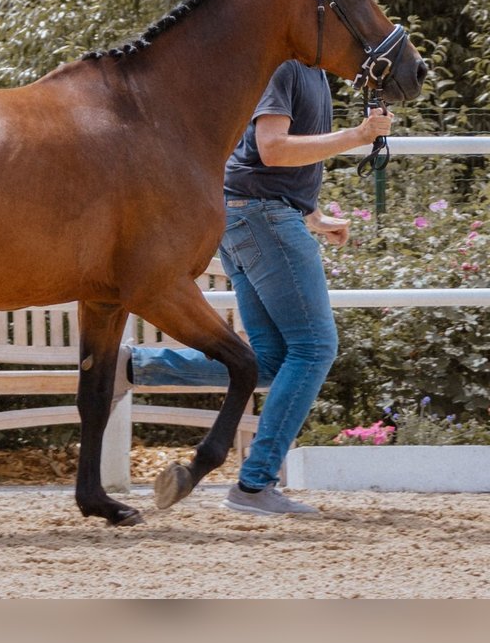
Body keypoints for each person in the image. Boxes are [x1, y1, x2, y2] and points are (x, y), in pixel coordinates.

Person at [117, 60, 394, 516]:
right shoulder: (285, 67)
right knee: (315, 346)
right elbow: (270, 148)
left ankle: (133, 368)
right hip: (262, 218)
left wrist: (313, 215)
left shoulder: (311, 71)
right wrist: (358, 136)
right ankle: (254, 486)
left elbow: (254, 159)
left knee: (270, 361)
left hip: (250, 215)